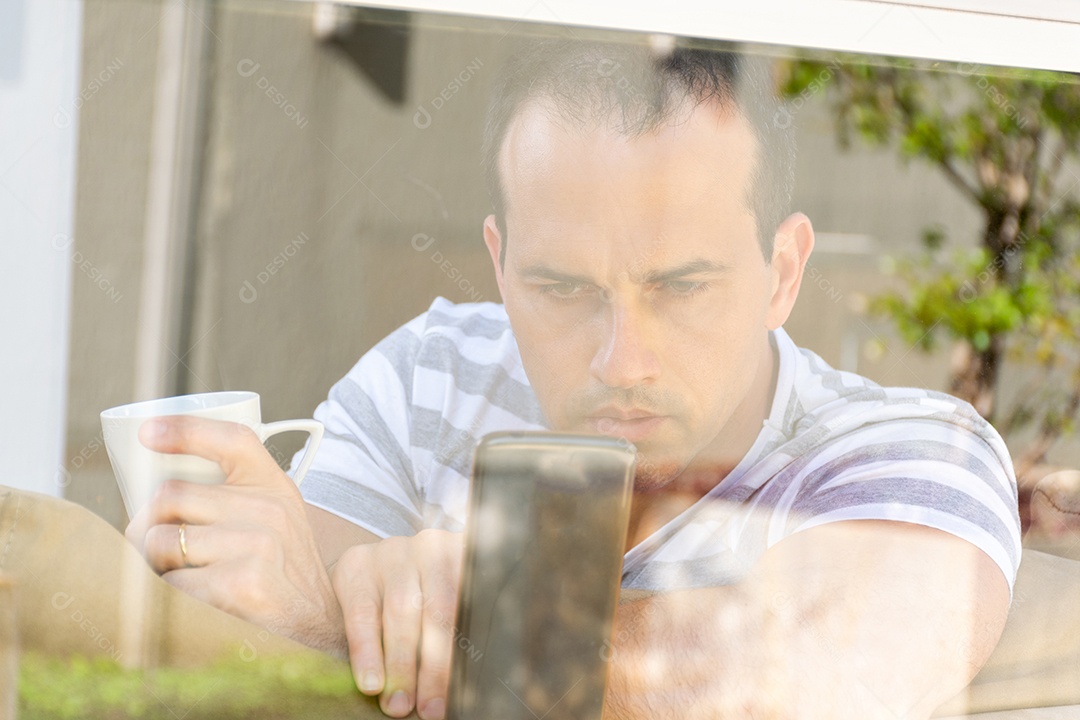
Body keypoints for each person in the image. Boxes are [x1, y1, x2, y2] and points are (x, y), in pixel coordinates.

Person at [125, 39, 1021, 719]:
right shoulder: (431, 374)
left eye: (681, 286)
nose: (619, 359)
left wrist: (455, 631)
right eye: (561, 288)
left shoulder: (909, 446)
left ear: (783, 273)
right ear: (500, 263)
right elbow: (288, 608)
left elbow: (849, 664)